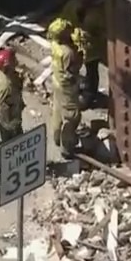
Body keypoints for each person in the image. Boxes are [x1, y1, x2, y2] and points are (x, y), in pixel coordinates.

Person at [59, 0, 106, 108]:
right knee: (72, 68)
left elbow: (102, 32)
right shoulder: (72, 6)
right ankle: (77, 87)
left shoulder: (96, 14)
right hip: (75, 45)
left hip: (91, 50)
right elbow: (64, 22)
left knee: (91, 71)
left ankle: (88, 96)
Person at [47, 18, 83, 159]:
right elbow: (72, 72)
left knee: (57, 109)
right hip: (67, 87)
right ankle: (67, 148)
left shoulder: (55, 44)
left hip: (57, 81)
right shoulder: (68, 53)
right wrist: (80, 54)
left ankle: (57, 137)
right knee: (71, 116)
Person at [0, 47, 24, 180]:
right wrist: (11, 124)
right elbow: (3, 108)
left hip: (12, 117)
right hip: (8, 121)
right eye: (13, 60)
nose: (16, 60)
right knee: (9, 147)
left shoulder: (7, 75)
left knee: (15, 144)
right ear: (7, 66)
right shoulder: (6, 86)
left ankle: (12, 166)